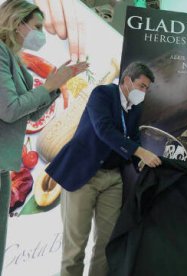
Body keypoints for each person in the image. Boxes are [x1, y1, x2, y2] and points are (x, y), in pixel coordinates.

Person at [46, 61, 162, 276]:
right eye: (142, 86)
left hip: (113, 179)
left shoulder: (136, 107)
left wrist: (143, 160)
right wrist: (140, 152)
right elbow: (104, 130)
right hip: (82, 175)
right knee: (75, 248)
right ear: (127, 80)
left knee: (107, 246)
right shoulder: (102, 94)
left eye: (147, 89)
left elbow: (134, 137)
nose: (144, 92)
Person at [0, 0, 89, 274]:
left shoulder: (13, 57)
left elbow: (30, 114)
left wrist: (56, 84)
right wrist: (51, 84)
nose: (42, 34)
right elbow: (9, 109)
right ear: (18, 23)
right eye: (37, 27)